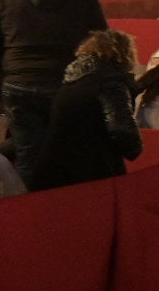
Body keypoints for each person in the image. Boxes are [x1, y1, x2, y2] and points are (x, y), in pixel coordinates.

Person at [0, 0, 107, 186]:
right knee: (67, 153)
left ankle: (30, 203)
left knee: (28, 155)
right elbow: (101, 44)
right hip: (66, 86)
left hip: (18, 85)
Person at [32, 30, 144, 190]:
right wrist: (134, 148)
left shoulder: (72, 81)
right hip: (91, 171)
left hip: (54, 170)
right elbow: (121, 129)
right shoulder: (111, 83)